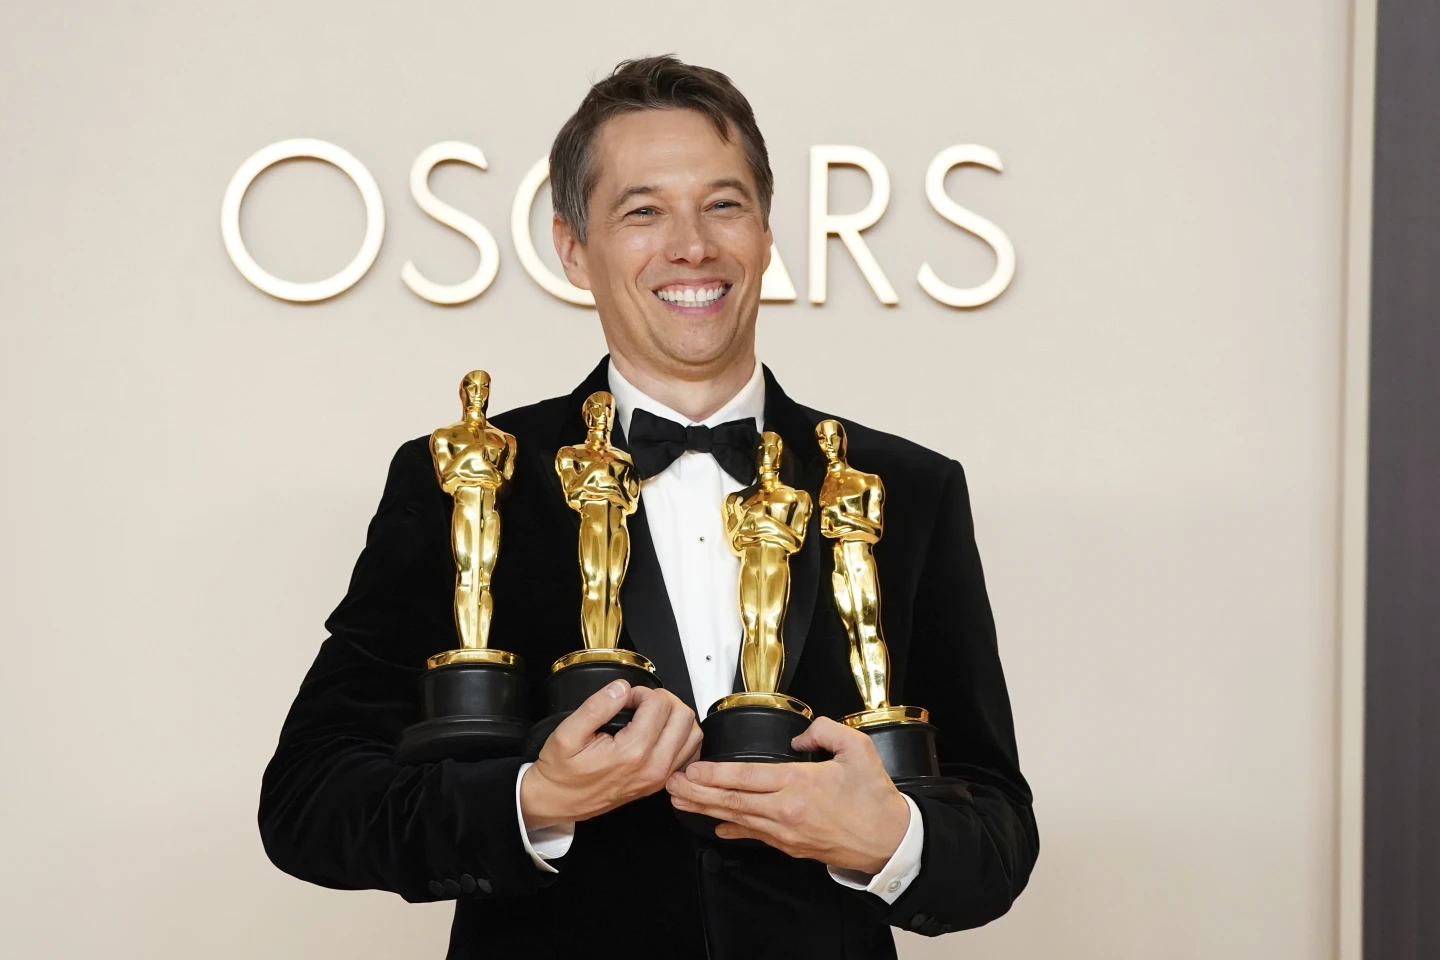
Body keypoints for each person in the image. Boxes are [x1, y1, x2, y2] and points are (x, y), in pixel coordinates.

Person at [259, 55, 1038, 960]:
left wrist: (892, 840)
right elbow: (310, 799)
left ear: (767, 233)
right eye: (643, 211)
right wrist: (534, 800)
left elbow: (997, 835)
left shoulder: (907, 487)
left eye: (723, 205)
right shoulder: (463, 477)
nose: (691, 246)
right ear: (571, 247)